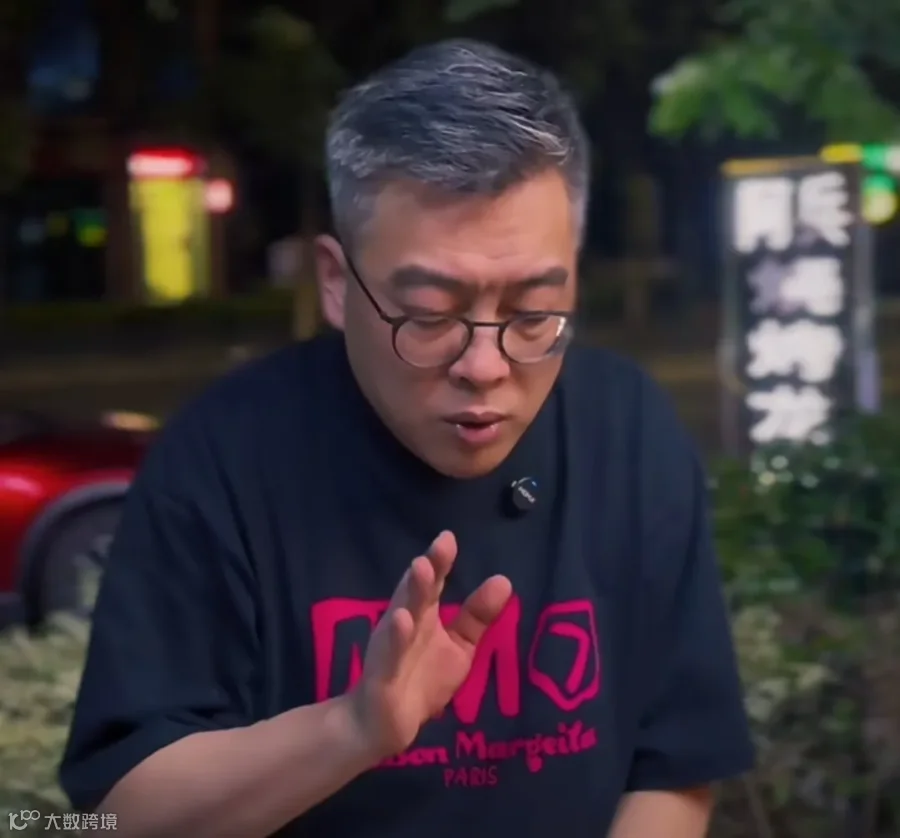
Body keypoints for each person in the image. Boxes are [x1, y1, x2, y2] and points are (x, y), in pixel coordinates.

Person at [59, 39, 753, 838]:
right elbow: (118, 816)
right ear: (335, 283)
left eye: (533, 313)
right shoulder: (223, 458)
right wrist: (348, 732)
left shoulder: (629, 432)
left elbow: (676, 770)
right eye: (428, 317)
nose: (485, 366)